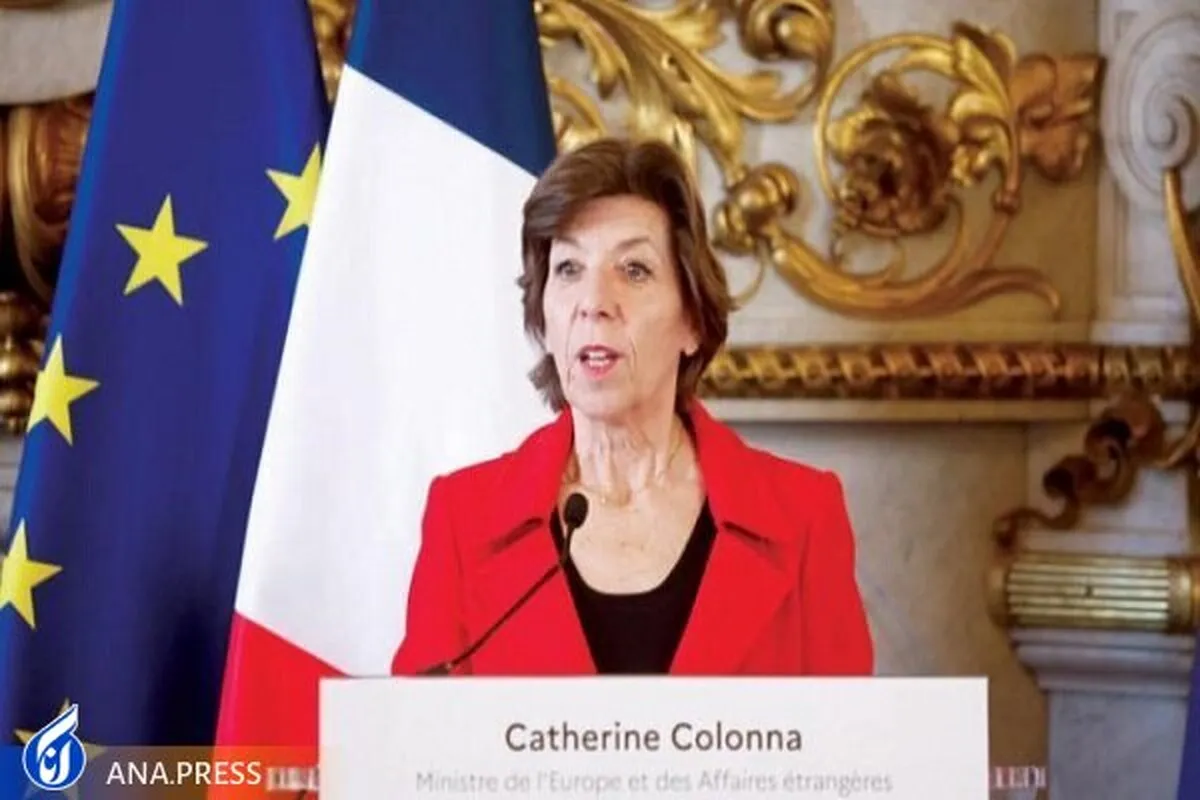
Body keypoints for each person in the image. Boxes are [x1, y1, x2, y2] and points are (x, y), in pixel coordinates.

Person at [390, 137, 873, 676]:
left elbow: (846, 728)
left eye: (634, 269)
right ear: (543, 315)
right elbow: (419, 725)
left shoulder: (803, 516)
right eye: (569, 268)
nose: (594, 302)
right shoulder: (463, 519)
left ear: (693, 319)